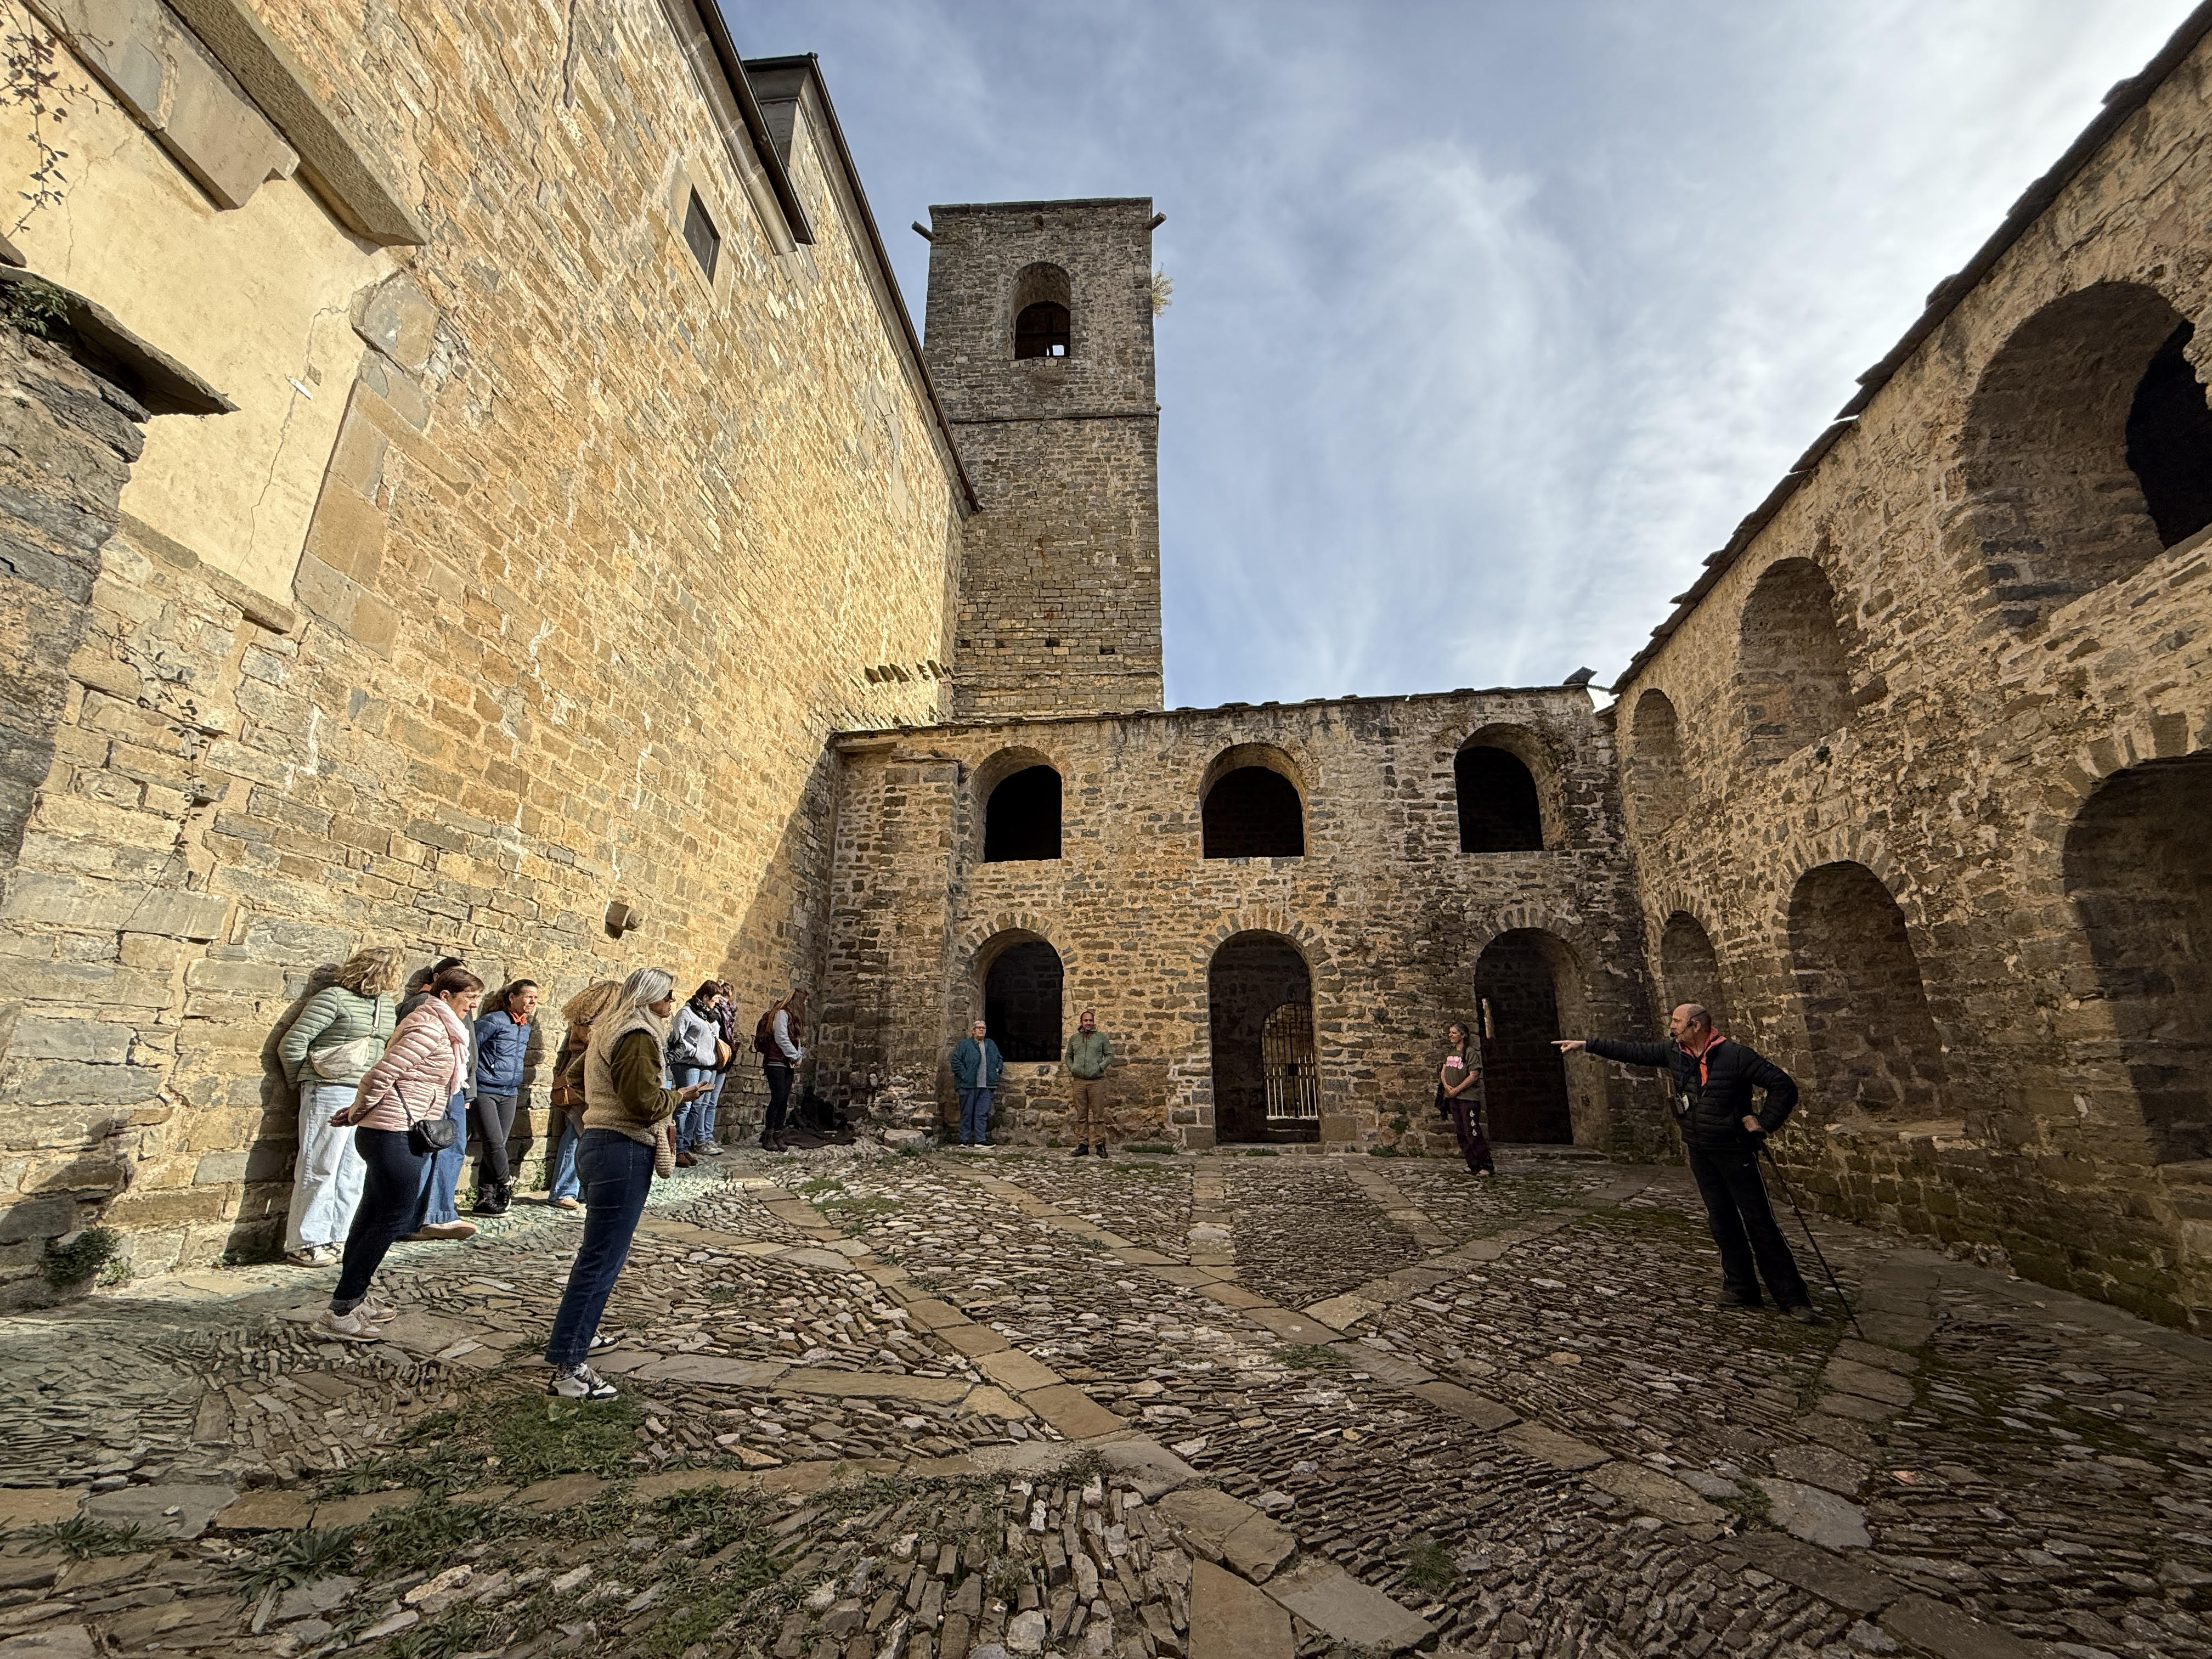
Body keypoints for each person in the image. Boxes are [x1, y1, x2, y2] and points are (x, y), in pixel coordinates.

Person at [1555, 1004, 1819, 1322]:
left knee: (1759, 1222)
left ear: (1696, 1025)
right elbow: (1634, 1051)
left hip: (1734, 1150)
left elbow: (1783, 1086)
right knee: (1721, 1220)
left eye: (1677, 1022)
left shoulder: (1736, 1055)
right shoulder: (1675, 1052)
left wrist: (1763, 1122)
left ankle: (1792, 1298)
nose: (1672, 1026)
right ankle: (1740, 1286)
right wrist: (1588, 1045)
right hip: (1700, 1149)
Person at [543, 966, 712, 1398]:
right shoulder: (637, 1034)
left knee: (599, 1254)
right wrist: (680, 1096)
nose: (672, 1005)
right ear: (651, 997)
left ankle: (580, 1334)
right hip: (622, 1148)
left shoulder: (609, 1027)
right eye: (668, 997)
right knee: (602, 1258)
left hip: (602, 1141)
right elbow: (644, 1104)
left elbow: (578, 1079)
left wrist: (599, 1111)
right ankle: (568, 1365)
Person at [315, 965, 483, 1341]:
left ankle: (354, 1297)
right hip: (393, 1133)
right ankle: (340, 1310)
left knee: (374, 1213)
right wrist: (359, 1111)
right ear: (445, 997)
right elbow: (381, 1073)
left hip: (396, 1131)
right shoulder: (428, 1026)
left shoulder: (442, 1027)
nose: (473, 1005)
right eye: (469, 998)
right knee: (394, 1216)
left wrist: (361, 1112)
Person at [277, 945, 403, 1266]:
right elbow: (293, 1044)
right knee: (320, 1164)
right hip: (329, 1089)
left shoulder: (387, 1006)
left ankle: (340, 1235)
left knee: (353, 1168)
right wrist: (305, 1082)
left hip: (366, 1095)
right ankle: (307, 1241)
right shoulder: (331, 998)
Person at [398, 956, 477, 1241]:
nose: (472, 1002)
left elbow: (468, 1051)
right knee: (430, 1147)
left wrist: (470, 1090)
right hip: (435, 1088)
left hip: (456, 1087)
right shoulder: (425, 1006)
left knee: (450, 1148)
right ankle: (419, 1218)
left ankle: (437, 1214)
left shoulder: (457, 1008)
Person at [544, 980, 620, 1211]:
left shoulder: (594, 1023)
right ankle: (564, 1190)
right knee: (576, 1135)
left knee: (585, 1136)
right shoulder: (589, 1025)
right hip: (581, 1083)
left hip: (590, 1082)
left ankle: (580, 1189)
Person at [471, 979, 538, 1215]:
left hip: (510, 1093)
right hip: (485, 1090)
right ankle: (506, 1182)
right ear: (512, 997)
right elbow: (470, 1048)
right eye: (528, 996)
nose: (533, 1002)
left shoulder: (525, 1027)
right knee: (493, 1143)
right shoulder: (494, 1021)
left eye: (536, 998)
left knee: (497, 1145)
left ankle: (485, 1199)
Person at [669, 980, 724, 1165]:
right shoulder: (687, 1012)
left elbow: (715, 1037)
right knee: (685, 1106)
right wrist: (693, 1051)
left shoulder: (711, 1016)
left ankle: (686, 1145)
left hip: (707, 1065)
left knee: (698, 1107)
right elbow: (677, 1037)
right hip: (688, 1064)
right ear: (705, 997)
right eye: (714, 1000)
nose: (716, 1004)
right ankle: (677, 1149)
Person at [1436, 1020, 1494, 1177]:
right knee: (1461, 1132)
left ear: (1463, 1035)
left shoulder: (1469, 1053)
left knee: (1472, 1131)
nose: (1451, 1035)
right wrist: (1447, 1086)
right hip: (1454, 1098)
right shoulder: (1450, 1052)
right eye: (1450, 1033)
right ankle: (1472, 1164)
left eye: (1454, 1033)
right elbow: (1444, 1071)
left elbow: (1474, 1075)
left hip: (1467, 1099)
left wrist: (1457, 1089)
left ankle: (1486, 1165)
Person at [758, 988, 806, 1151]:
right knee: (777, 1097)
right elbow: (781, 1038)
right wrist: (794, 1056)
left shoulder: (794, 1019)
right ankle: (768, 1135)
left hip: (787, 1064)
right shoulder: (782, 1015)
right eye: (804, 1001)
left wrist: (798, 1056)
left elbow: (796, 1040)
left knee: (784, 1099)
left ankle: (779, 1134)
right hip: (776, 1062)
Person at [1063, 1008, 1112, 1157]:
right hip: (1079, 1081)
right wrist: (1073, 1069)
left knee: (1098, 1115)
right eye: (1086, 1020)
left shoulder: (1101, 1038)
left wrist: (1100, 1067)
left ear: (1094, 1022)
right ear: (1081, 1022)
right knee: (1081, 1115)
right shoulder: (1074, 1039)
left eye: (1091, 1020)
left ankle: (1100, 1145)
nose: (1088, 1023)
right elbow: (1068, 1056)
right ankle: (1083, 1144)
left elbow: (1109, 1055)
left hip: (1097, 1082)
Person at [950, 1018, 1004, 1148]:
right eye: (979, 1028)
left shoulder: (990, 1044)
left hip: (986, 1085)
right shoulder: (964, 1045)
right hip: (968, 1085)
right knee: (967, 1113)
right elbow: (956, 1061)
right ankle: (964, 1139)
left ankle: (980, 1140)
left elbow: (999, 1058)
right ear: (973, 1031)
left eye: (983, 1028)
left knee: (982, 1113)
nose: (981, 1030)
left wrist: (998, 1070)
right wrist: (965, 1075)